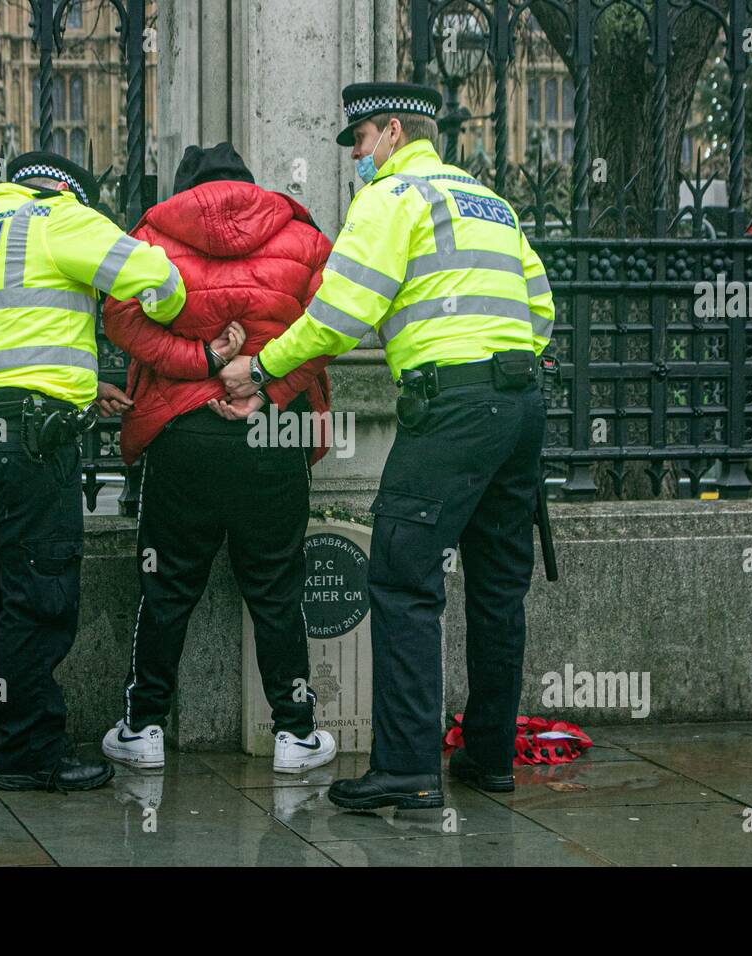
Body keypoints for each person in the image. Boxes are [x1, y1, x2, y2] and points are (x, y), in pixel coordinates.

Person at [220, 83, 555, 808]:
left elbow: (341, 313)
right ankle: (492, 757)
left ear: (394, 131)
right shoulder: (488, 200)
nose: (358, 160)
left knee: (403, 578)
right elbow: (542, 306)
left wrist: (264, 366)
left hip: (452, 405)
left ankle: (405, 770)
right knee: (499, 587)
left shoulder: (394, 197)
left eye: (362, 143)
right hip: (521, 403)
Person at [0, 150, 184, 792]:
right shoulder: (56, 219)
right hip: (30, 439)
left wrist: (78, 381)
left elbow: (7, 340)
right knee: (38, 592)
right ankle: (32, 752)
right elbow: (154, 274)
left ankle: (2, 732)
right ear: (65, 192)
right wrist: (163, 310)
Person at [100, 142, 338, 774]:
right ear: (249, 185)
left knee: (168, 585)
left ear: (187, 188)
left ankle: (143, 726)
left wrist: (199, 364)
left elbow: (119, 319)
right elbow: (334, 323)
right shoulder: (301, 232)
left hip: (183, 433)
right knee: (278, 587)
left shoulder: (153, 233)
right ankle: (295, 734)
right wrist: (266, 384)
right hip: (272, 430)